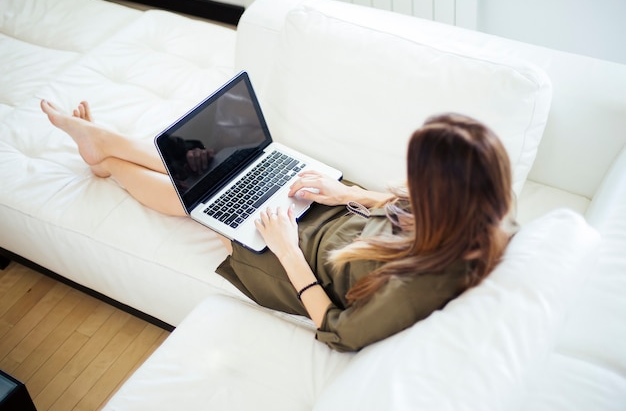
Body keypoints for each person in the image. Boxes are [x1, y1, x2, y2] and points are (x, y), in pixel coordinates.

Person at [40, 99, 517, 352]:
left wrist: (286, 248)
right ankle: (104, 147)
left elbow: (341, 332)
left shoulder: (419, 284)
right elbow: (404, 204)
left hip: (296, 256)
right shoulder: (485, 213)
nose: (407, 181)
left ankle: (106, 159)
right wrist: (350, 194)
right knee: (238, 167)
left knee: (203, 200)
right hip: (338, 215)